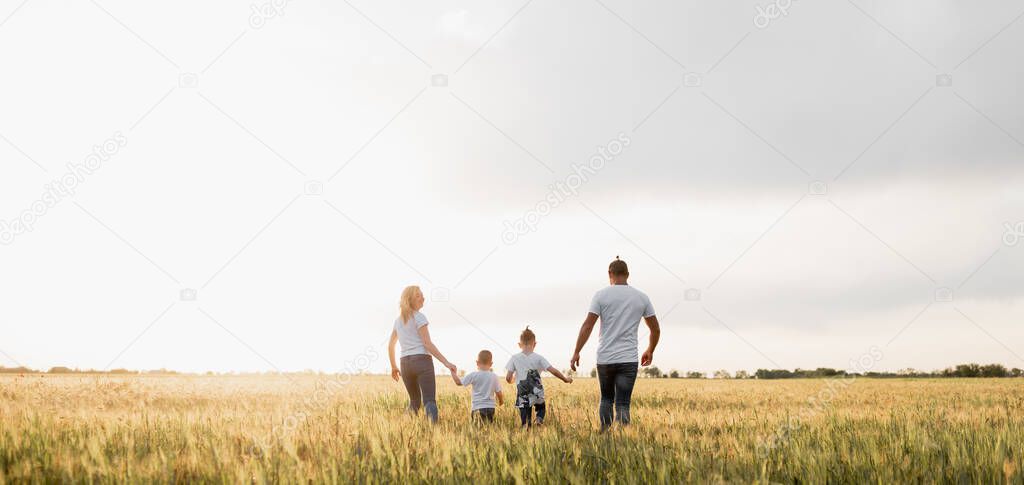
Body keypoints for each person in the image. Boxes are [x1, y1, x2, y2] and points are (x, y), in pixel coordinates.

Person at [570, 257, 661, 430]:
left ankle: (605, 435)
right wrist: (650, 349)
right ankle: (622, 439)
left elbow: (587, 326)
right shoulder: (642, 297)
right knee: (623, 403)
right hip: (628, 359)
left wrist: (576, 351)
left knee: (606, 399)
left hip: (605, 358)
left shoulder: (600, 295)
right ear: (627, 275)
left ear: (609, 274)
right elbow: (655, 329)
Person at [388, 285, 457, 423]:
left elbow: (390, 345)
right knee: (429, 401)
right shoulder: (419, 317)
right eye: (418, 295)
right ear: (409, 300)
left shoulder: (398, 321)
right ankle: (433, 433)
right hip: (421, 361)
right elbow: (427, 343)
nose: (423, 298)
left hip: (405, 363)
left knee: (414, 402)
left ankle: (402, 428)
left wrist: (394, 366)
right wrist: (446, 362)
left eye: (422, 295)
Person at [506, 326, 573, 427]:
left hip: (522, 394)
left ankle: (526, 426)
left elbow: (508, 377)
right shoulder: (539, 358)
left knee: (525, 419)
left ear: (519, 344)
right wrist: (565, 379)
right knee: (541, 408)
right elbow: (553, 371)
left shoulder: (514, 358)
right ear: (535, 344)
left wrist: (512, 380)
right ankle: (539, 419)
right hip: (537, 392)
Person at [450, 350, 504, 423]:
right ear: (491, 364)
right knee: (489, 429)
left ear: (477, 363)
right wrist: (500, 402)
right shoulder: (494, 376)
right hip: (490, 407)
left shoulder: (474, 375)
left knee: (477, 431)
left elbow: (458, 382)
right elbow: (499, 393)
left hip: (477, 408)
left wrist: (453, 372)